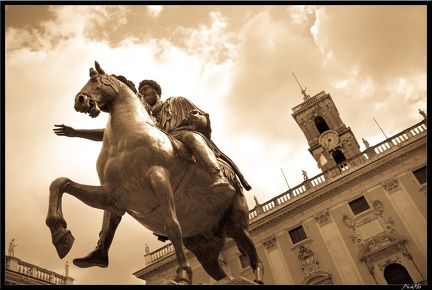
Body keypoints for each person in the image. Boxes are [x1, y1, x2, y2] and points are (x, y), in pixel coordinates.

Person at [54, 78, 251, 268]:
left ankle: (216, 174)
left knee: (193, 137)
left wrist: (197, 119)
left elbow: (204, 120)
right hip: (152, 150)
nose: (144, 93)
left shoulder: (176, 102)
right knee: (116, 191)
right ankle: (102, 248)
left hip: (179, 138)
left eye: (147, 90)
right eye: (142, 91)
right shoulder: (141, 115)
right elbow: (110, 133)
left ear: (157, 92)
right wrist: (76, 132)